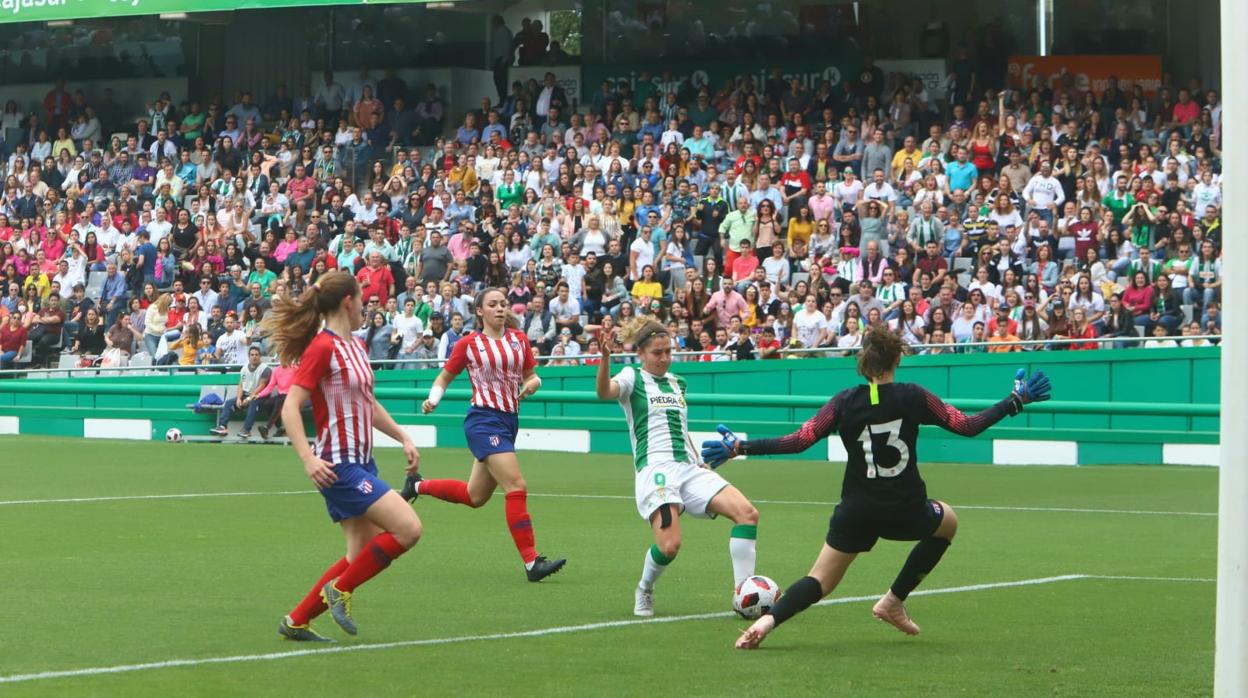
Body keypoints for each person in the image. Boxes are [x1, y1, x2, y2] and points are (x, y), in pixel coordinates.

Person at [705, 325, 1051, 649]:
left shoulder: (843, 402)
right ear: (897, 358)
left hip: (857, 510)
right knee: (948, 522)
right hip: (906, 509)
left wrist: (741, 448)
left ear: (862, 361)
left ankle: (765, 624)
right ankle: (893, 601)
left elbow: (799, 440)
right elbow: (967, 425)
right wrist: (1014, 402)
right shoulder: (914, 396)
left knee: (819, 581)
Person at [262, 269, 424, 640]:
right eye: (363, 301)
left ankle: (297, 620)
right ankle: (339, 590)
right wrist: (308, 459)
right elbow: (291, 408)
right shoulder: (323, 347)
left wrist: (402, 436)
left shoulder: (357, 346)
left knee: (359, 555)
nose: (366, 307)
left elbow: (367, 404)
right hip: (338, 466)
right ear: (348, 302)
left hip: (362, 461)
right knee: (408, 528)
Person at [595, 317, 761, 617]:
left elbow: (681, 429)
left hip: (688, 467)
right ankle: (645, 588)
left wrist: (700, 463)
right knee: (670, 546)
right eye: (657, 353)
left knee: (747, 515)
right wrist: (605, 358)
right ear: (641, 354)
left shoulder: (677, 382)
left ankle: (744, 594)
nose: (664, 358)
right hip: (655, 469)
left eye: (668, 351)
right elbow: (604, 392)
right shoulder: (632, 377)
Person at [398, 287, 566, 582]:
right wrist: (433, 399)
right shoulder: (469, 343)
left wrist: (533, 384)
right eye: (493, 304)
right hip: (483, 421)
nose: (500, 308)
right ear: (480, 311)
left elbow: (532, 375)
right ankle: (531, 563)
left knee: (475, 496)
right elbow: (444, 376)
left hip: (508, 422)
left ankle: (417, 486)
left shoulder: (519, 340)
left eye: (503, 303)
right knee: (516, 485)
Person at [209, 345, 272, 438]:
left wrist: (249, 398)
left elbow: (262, 386)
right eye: (252, 355)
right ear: (249, 356)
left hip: (260, 396)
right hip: (246, 394)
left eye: (256, 355)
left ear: (260, 356)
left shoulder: (266, 369)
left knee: (253, 403)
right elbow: (241, 385)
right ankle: (223, 427)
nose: (254, 356)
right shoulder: (244, 368)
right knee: (229, 403)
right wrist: (239, 398)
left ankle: (247, 430)